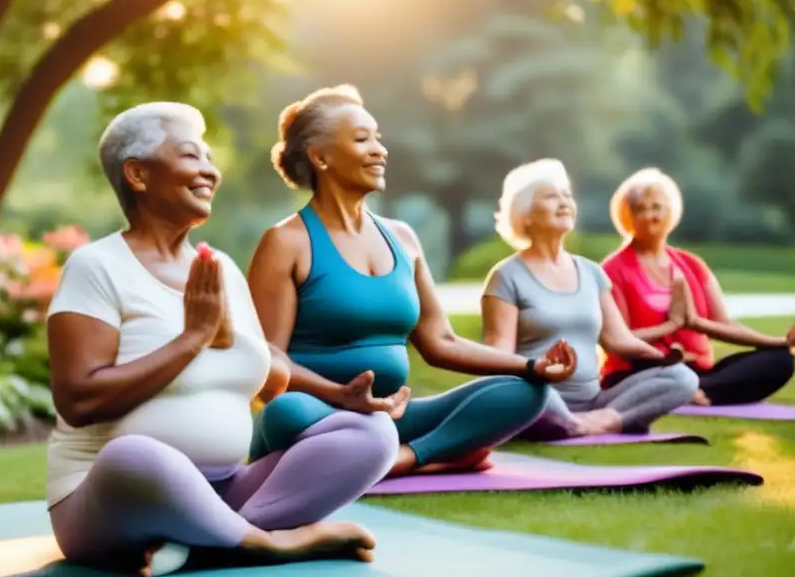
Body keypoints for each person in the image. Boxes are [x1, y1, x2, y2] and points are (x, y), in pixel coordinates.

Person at [45, 102, 400, 577]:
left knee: (373, 434)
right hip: (112, 495)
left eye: (210, 159)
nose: (209, 171)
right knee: (136, 453)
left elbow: (267, 369)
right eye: (192, 156)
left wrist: (338, 395)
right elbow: (79, 400)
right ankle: (268, 544)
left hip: (228, 486)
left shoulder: (220, 269)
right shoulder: (97, 267)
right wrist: (193, 337)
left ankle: (206, 541)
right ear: (138, 174)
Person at [246, 85, 578, 477]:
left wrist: (531, 365)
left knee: (525, 392)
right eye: (361, 139)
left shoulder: (403, 238)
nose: (379, 150)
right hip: (318, 414)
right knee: (284, 412)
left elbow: (442, 342)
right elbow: (270, 361)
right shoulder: (286, 242)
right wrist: (340, 395)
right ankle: (436, 453)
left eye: (378, 138)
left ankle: (401, 459)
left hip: (393, 414)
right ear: (320, 156)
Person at [480, 159, 700, 440]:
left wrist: (663, 358)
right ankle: (579, 423)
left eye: (567, 196)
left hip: (594, 400)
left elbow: (618, 340)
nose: (563, 202)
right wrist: (533, 377)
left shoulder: (591, 272)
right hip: (539, 398)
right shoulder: (506, 275)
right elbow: (498, 356)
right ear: (525, 215)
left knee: (683, 377)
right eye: (551, 196)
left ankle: (595, 422)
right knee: (520, 389)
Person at [601, 167, 794, 405]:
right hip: (642, 367)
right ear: (627, 216)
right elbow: (619, 341)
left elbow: (725, 323)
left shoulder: (693, 265)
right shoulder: (612, 270)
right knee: (651, 366)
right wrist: (670, 327)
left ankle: (693, 391)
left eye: (657, 207)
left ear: (670, 212)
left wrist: (780, 342)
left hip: (697, 371)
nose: (650, 216)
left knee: (781, 361)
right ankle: (682, 389)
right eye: (640, 209)